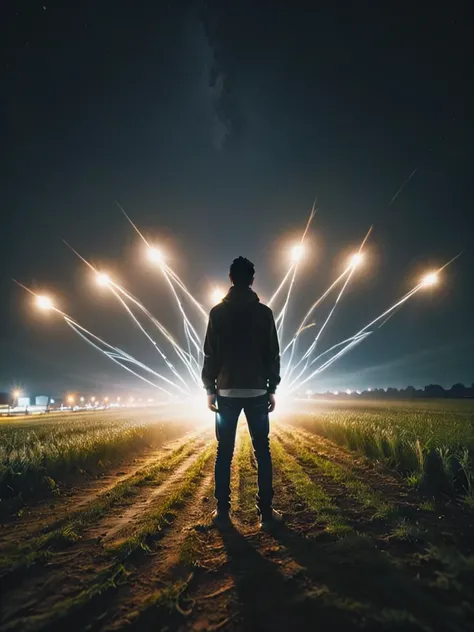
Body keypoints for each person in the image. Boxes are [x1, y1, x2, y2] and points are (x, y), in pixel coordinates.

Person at [202, 256, 283, 529]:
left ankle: (222, 514)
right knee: (263, 450)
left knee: (224, 452)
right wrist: (272, 388)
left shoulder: (217, 312)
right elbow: (273, 354)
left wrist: (209, 389)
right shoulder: (264, 313)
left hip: (226, 390)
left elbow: (210, 355)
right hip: (258, 389)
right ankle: (267, 514)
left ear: (230, 279)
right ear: (251, 280)